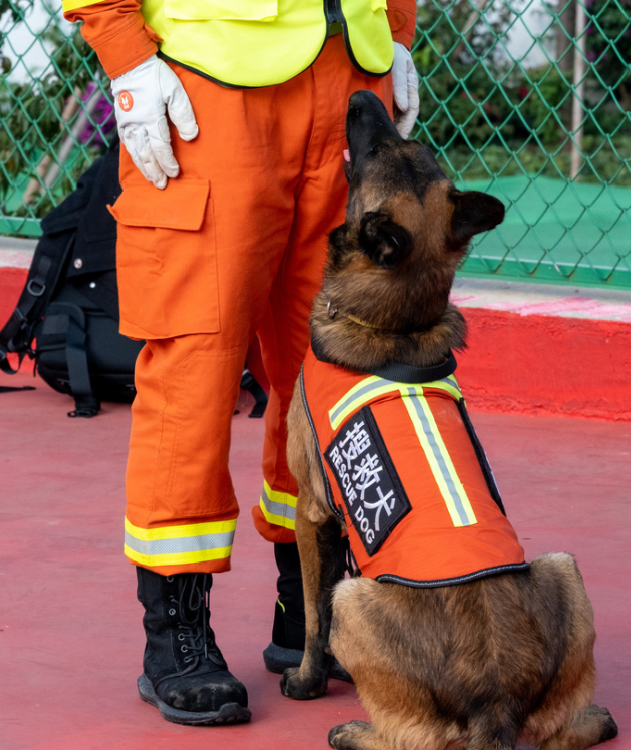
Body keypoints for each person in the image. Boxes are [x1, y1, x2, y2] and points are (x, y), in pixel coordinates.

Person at [61, 0, 420, 726]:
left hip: (349, 73)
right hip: (210, 90)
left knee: (334, 365)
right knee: (196, 368)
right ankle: (177, 634)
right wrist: (127, 53)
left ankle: (312, 611)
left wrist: (397, 32)